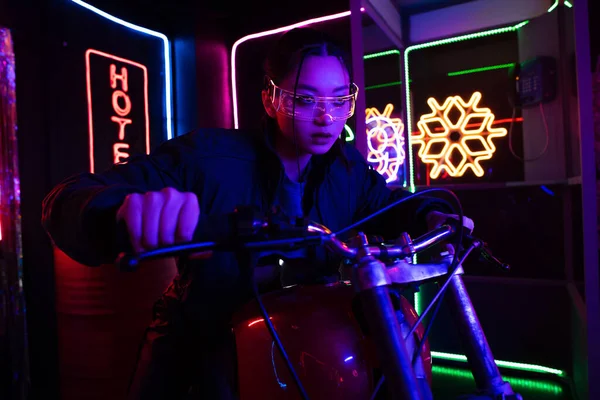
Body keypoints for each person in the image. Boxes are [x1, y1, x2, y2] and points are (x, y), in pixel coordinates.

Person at [42, 27, 473, 399]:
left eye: (339, 99)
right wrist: (117, 211)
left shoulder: (347, 167)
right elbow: (69, 197)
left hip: (298, 344)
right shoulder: (210, 157)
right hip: (206, 343)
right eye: (305, 100)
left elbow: (387, 203)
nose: (326, 117)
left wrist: (433, 215)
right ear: (269, 99)